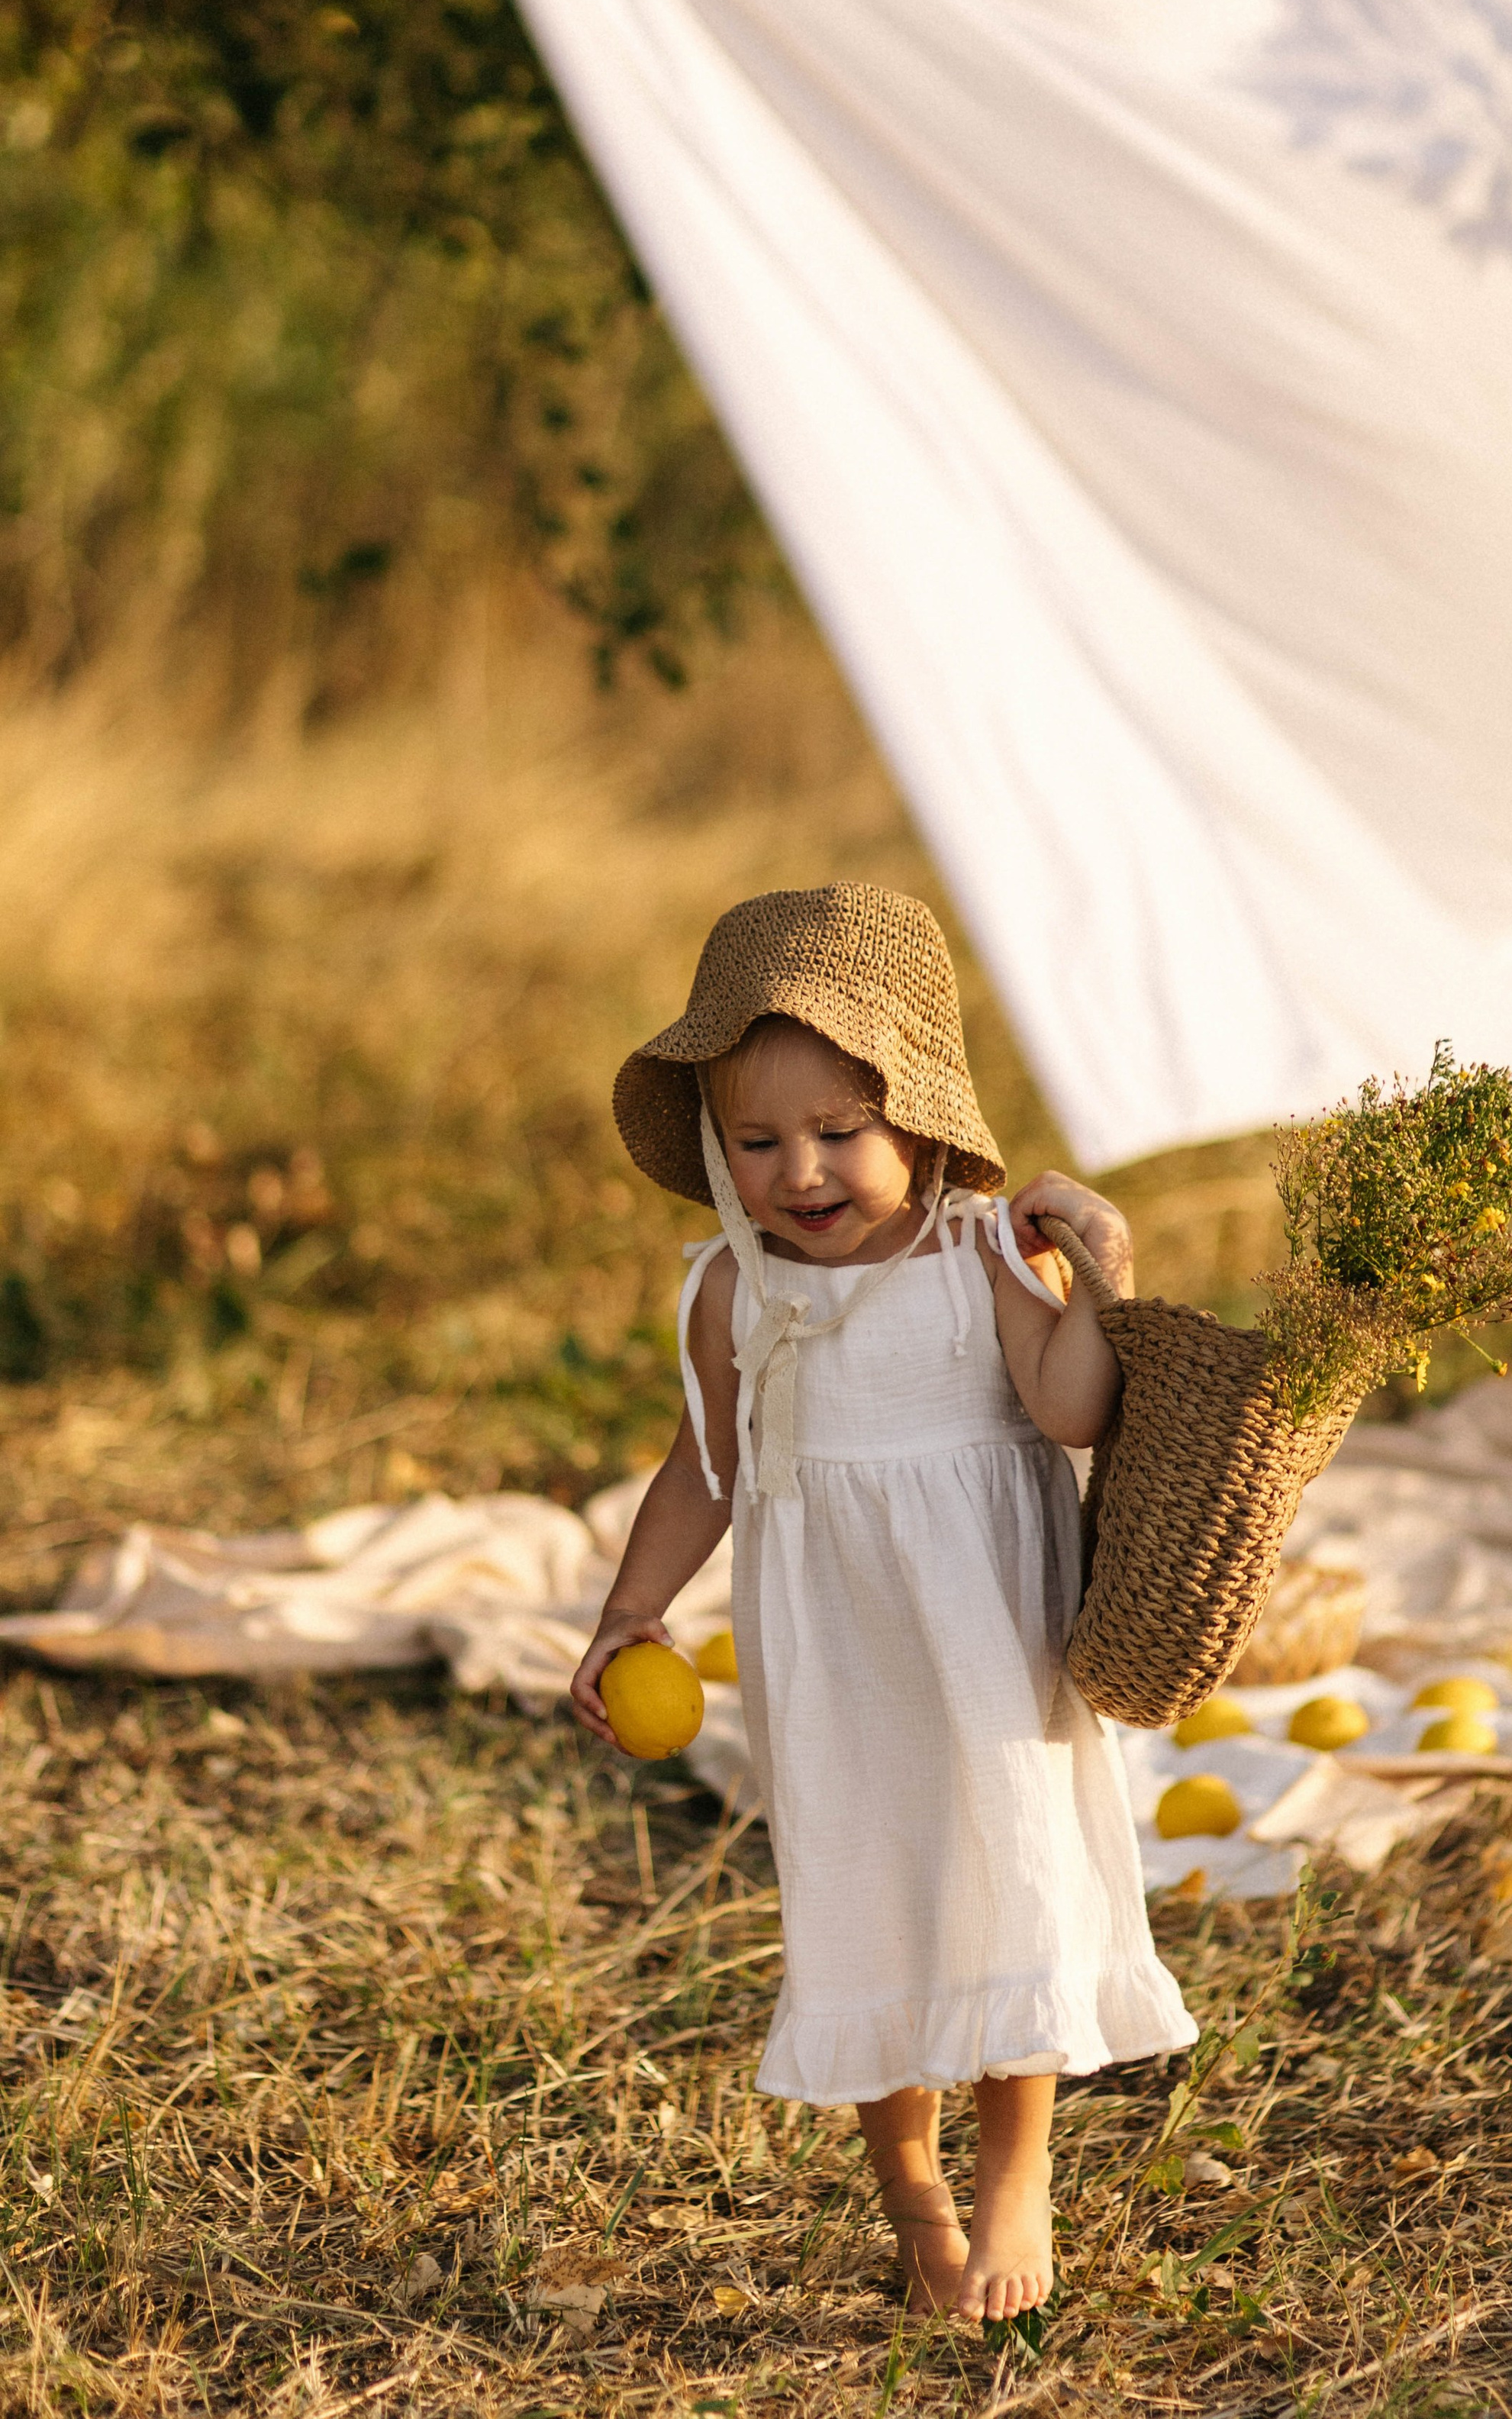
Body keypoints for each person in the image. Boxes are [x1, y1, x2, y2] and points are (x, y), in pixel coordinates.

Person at [571, 882, 1194, 2323]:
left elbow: (1077, 1406)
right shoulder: (736, 1292)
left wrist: (1100, 1275)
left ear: (916, 1116)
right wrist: (628, 1612)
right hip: (840, 1658)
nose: (803, 1170)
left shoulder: (981, 1253)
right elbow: (704, 1471)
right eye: (760, 1139)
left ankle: (1014, 2177)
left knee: (1015, 1872)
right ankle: (912, 2190)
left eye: (841, 1131)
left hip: (990, 1646)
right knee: (876, 1895)